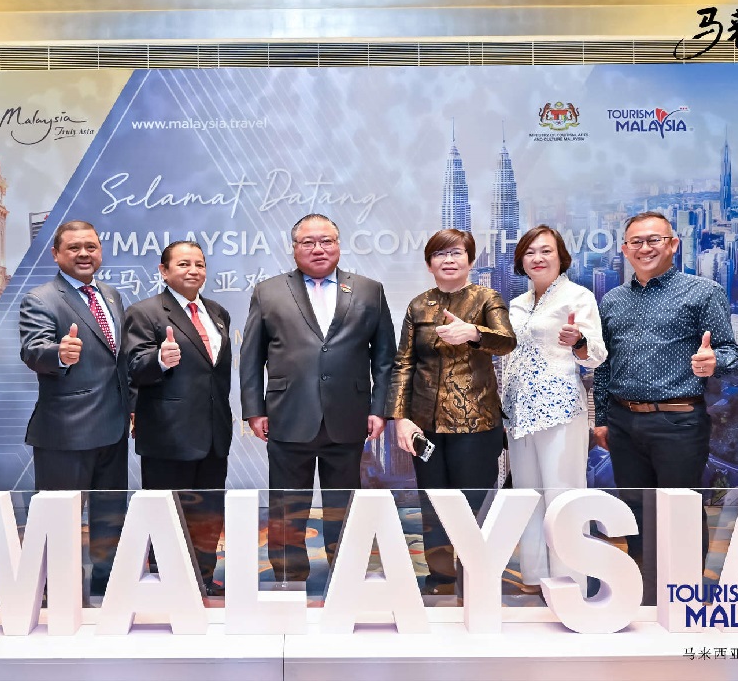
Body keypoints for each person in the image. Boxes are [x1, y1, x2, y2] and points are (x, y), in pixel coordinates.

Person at [593, 210, 738, 603]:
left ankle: (684, 597)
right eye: (636, 242)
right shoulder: (612, 300)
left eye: (654, 240)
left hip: (678, 421)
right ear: (625, 250)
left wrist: (714, 361)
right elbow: (604, 365)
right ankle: (646, 596)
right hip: (623, 423)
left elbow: (730, 351)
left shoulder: (702, 292)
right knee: (636, 512)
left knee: (682, 512)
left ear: (673, 244)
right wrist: (603, 418)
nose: (645, 248)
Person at [239, 213, 396, 586]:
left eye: (326, 241)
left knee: (344, 503)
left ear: (338, 245)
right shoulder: (268, 291)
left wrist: (379, 410)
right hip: (287, 414)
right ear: (294, 248)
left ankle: (346, 571)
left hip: (349, 415)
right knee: (287, 504)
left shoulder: (369, 290)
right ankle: (288, 574)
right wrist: (254, 410)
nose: (318, 248)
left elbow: (384, 358)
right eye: (308, 242)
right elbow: (251, 357)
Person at [385, 228, 517, 595]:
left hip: (476, 423)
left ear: (470, 260)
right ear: (429, 264)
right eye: (440, 254)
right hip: (426, 426)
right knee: (433, 505)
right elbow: (404, 364)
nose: (448, 260)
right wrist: (401, 418)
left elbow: (507, 341)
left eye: (456, 253)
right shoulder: (418, 305)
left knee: (474, 504)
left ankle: (477, 578)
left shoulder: (487, 298)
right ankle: (441, 579)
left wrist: (473, 333)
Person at [19, 220, 130, 598]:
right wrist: (59, 354)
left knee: (110, 516)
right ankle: (57, 596)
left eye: (91, 247)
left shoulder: (111, 295)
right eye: (74, 248)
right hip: (65, 432)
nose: (84, 254)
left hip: (113, 428)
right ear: (56, 254)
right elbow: (33, 350)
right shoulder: (41, 298)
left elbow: (117, 361)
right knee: (59, 521)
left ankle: (107, 587)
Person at [500, 225, 607, 594]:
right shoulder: (516, 303)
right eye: (530, 252)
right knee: (527, 496)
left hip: (559, 408)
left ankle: (569, 580)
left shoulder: (578, 296)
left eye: (546, 250)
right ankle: (533, 576)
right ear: (521, 261)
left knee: (563, 494)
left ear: (561, 256)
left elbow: (596, 356)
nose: (538, 258)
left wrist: (578, 341)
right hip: (519, 411)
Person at [123, 241, 232, 596]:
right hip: (168, 434)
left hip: (214, 433)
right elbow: (134, 367)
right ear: (164, 271)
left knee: (209, 512)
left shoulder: (217, 312)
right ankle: (168, 583)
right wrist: (159, 359)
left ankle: (204, 578)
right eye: (184, 264)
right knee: (168, 513)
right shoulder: (145, 312)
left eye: (199, 264)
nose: (193, 270)